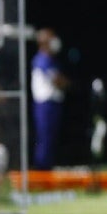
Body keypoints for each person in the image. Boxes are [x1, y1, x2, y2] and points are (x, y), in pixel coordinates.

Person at [30, 28, 70, 170]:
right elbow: (58, 81)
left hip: (53, 103)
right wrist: (64, 82)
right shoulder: (41, 59)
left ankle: (48, 166)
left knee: (51, 137)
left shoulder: (53, 60)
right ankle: (41, 167)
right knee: (44, 136)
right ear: (45, 42)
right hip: (44, 104)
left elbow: (63, 81)